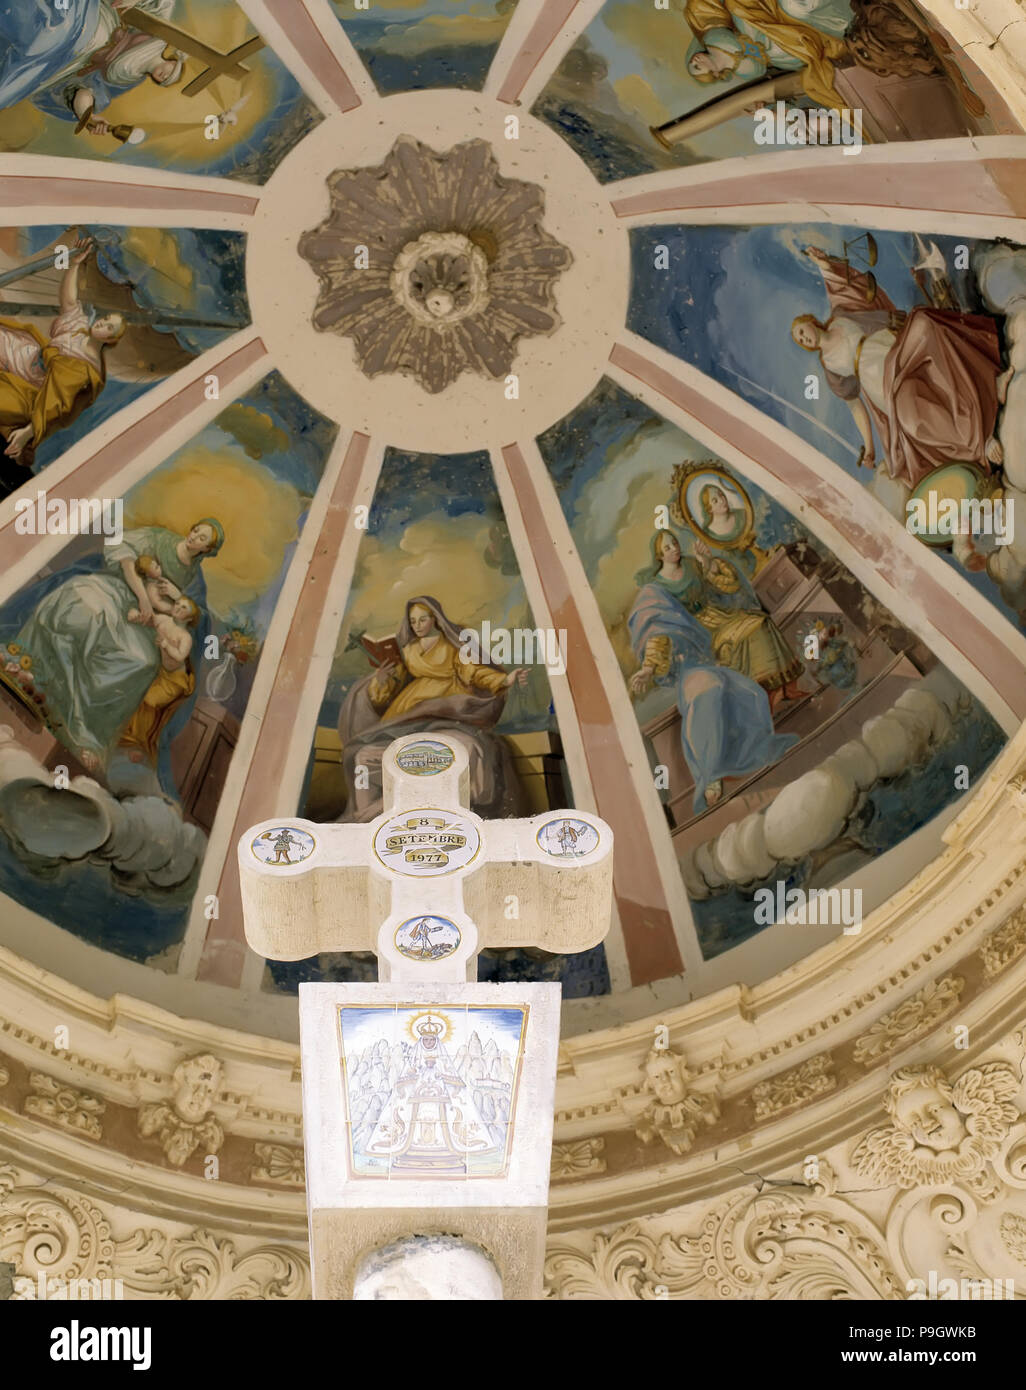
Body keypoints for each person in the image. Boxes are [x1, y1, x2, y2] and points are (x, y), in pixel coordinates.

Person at [7, 517, 223, 773]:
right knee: (85, 608)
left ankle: (81, 726)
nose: (194, 536)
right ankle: (34, 673)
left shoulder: (194, 579)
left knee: (143, 660)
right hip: (118, 590)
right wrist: (143, 597)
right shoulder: (159, 538)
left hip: (146, 623)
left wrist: (178, 597)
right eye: (196, 529)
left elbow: (197, 616)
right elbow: (122, 551)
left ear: (206, 550)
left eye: (202, 538)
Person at [793, 244, 1004, 486]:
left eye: (801, 331)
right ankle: (978, 442)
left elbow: (841, 287)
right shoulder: (830, 368)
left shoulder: (840, 315)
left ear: (809, 321)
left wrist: (823, 264)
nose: (803, 338)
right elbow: (855, 407)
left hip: (897, 350)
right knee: (913, 417)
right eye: (800, 340)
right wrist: (870, 449)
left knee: (925, 324)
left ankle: (987, 379)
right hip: (884, 384)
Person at [628, 529, 799, 811]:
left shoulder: (693, 565)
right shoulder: (655, 591)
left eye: (674, 543)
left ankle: (780, 693)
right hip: (696, 637)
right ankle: (713, 771)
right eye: (667, 547)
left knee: (757, 624)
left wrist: (708, 565)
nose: (674, 549)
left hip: (717, 618)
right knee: (714, 687)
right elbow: (659, 630)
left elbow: (727, 588)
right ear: (659, 555)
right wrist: (648, 668)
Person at [338, 595, 528, 822]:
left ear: (435, 619)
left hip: (447, 711)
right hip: (408, 715)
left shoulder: (453, 646)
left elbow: (474, 672)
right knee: (363, 756)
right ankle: (367, 818)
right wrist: (381, 680)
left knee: (465, 748)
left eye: (422, 619)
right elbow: (389, 690)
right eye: (413, 621)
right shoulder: (408, 651)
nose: (417, 626)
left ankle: (465, 810)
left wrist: (504, 681)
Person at [0, 237, 124, 479]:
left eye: (109, 327)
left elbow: (57, 403)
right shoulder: (78, 328)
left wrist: (29, 432)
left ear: (111, 340)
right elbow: (69, 300)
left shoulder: (89, 369)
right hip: (25, 355)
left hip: (32, 388)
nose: (103, 322)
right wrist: (75, 264)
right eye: (107, 319)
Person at [0, 0, 181, 116]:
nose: (165, 76)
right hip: (88, 20)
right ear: (173, 61)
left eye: (165, 81)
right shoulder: (159, 40)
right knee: (51, 31)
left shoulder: (129, 79)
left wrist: (87, 114)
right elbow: (163, 3)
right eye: (171, 73)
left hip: (72, 58)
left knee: (10, 88)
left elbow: (83, 89)